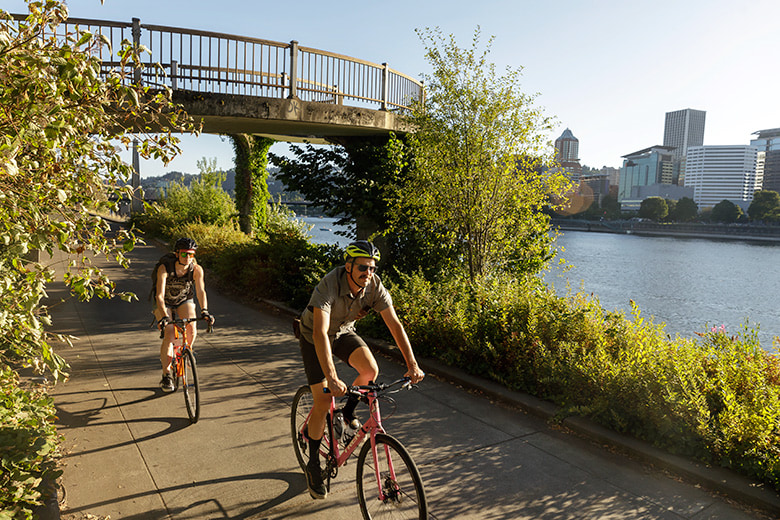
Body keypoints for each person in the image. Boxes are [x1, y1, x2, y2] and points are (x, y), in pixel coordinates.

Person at [297, 240, 425, 499]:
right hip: (313, 336)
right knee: (323, 399)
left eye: (373, 269)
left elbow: (395, 325)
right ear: (348, 267)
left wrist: (412, 365)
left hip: (343, 332)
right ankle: (313, 464)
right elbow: (321, 333)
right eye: (363, 268)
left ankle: (346, 413)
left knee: (370, 371)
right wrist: (332, 378)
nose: (368, 273)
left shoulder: (374, 286)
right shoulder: (329, 284)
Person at [154, 237, 213, 392]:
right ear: (177, 253)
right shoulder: (165, 268)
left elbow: (201, 291)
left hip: (183, 299)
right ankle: (167, 375)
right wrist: (164, 317)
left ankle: (187, 352)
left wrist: (205, 310)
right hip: (164, 302)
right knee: (169, 334)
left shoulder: (196, 269)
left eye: (191, 255)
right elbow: (159, 295)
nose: (188, 258)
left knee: (191, 327)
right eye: (184, 254)